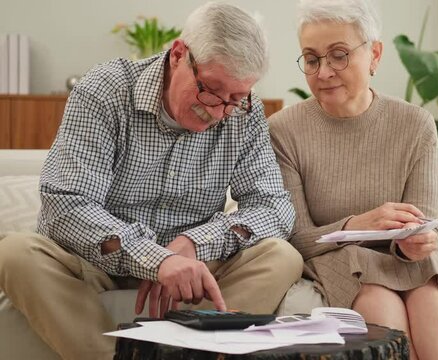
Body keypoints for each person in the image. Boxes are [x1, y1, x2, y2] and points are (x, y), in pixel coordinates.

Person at [0, 2, 303, 359]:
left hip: (193, 267)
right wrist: (155, 260)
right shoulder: (104, 91)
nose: (219, 112)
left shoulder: (243, 113)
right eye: (211, 90)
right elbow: (67, 204)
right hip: (96, 260)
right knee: (14, 253)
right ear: (178, 54)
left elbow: (274, 207)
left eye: (235, 99)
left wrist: (193, 244)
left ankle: (191, 354)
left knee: (281, 256)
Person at [269, 1, 438, 359]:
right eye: (311, 59)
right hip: (339, 259)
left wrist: (419, 241)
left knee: (430, 292)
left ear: (375, 55)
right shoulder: (283, 131)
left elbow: (426, 225)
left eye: (338, 55)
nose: (323, 72)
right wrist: (358, 224)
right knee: (380, 301)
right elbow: (296, 238)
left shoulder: (415, 124)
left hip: (405, 262)